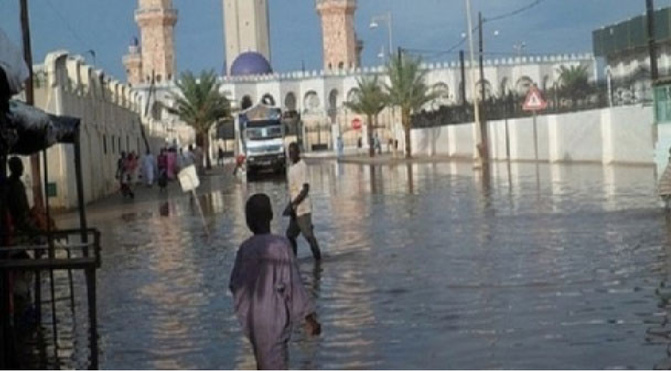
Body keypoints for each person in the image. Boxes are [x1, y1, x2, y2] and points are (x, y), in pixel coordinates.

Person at [229, 193, 321, 370]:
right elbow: (293, 286)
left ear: (248, 222)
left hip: (253, 322)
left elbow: (235, 284)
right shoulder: (280, 246)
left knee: (262, 362)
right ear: (271, 215)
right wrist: (309, 318)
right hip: (275, 321)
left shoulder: (245, 249)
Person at [283, 142, 321, 260]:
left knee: (309, 236)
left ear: (298, 153)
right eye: (289, 152)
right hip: (295, 209)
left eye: (293, 152)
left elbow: (305, 189)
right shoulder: (291, 167)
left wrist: (294, 204)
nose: (291, 155)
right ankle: (294, 259)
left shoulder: (301, 166)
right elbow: (293, 189)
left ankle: (318, 259)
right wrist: (290, 206)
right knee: (290, 235)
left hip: (303, 208)